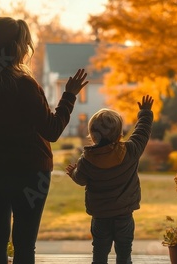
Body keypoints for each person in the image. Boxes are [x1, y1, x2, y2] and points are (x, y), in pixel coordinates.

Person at [0, 16, 88, 264]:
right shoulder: (25, 86)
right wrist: (69, 96)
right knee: (24, 244)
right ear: (17, 47)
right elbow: (52, 131)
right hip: (30, 174)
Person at [66, 95, 154, 264]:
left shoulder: (86, 160)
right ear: (119, 134)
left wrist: (73, 173)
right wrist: (145, 112)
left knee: (99, 252)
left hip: (100, 216)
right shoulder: (131, 150)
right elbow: (142, 131)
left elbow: (81, 180)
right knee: (124, 253)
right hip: (124, 214)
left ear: (92, 135)